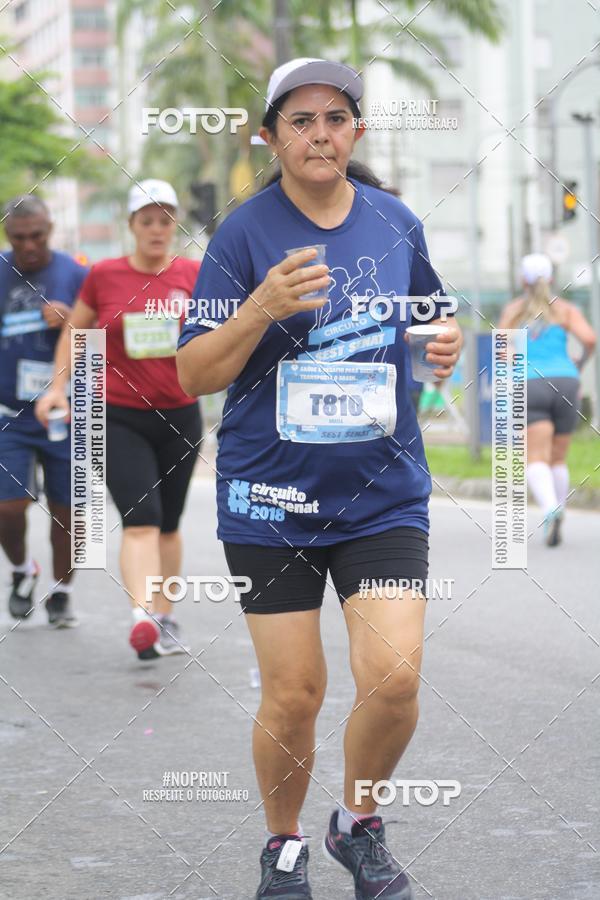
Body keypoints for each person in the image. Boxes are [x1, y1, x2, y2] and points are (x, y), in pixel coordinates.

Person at [177, 59, 462, 900]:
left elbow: (427, 316)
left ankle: (358, 823)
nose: (320, 134)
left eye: (335, 117)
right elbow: (193, 373)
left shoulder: (396, 221)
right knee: (296, 694)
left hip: (382, 495)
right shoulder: (243, 235)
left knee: (395, 678)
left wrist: (438, 342)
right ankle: (284, 844)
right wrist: (261, 305)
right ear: (270, 137)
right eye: (299, 121)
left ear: (357, 131)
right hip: (271, 501)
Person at [36, 179, 202, 657]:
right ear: (131, 226)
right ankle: (142, 615)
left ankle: (165, 617)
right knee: (142, 517)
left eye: (165, 220)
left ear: (174, 225)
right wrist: (58, 388)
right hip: (117, 413)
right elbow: (76, 329)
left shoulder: (194, 273)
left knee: (169, 523)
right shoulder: (105, 274)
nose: (156, 229)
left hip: (180, 415)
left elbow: (223, 330)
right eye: (146, 220)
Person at [0, 195, 88, 626]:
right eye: (19, 238)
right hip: (8, 412)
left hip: (65, 411)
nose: (29, 246)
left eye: (37, 236)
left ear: (50, 230)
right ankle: (21, 571)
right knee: (8, 506)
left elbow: (99, 341)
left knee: (68, 511)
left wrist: (74, 320)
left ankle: (62, 591)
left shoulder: (75, 273)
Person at [499, 253, 596, 546]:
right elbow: (590, 339)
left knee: (535, 457)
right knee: (558, 457)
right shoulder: (565, 309)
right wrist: (577, 365)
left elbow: (501, 345)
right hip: (567, 382)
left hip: (531, 382)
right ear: (551, 279)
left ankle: (551, 509)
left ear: (522, 281)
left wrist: (515, 364)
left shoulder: (515, 310)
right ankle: (560, 508)